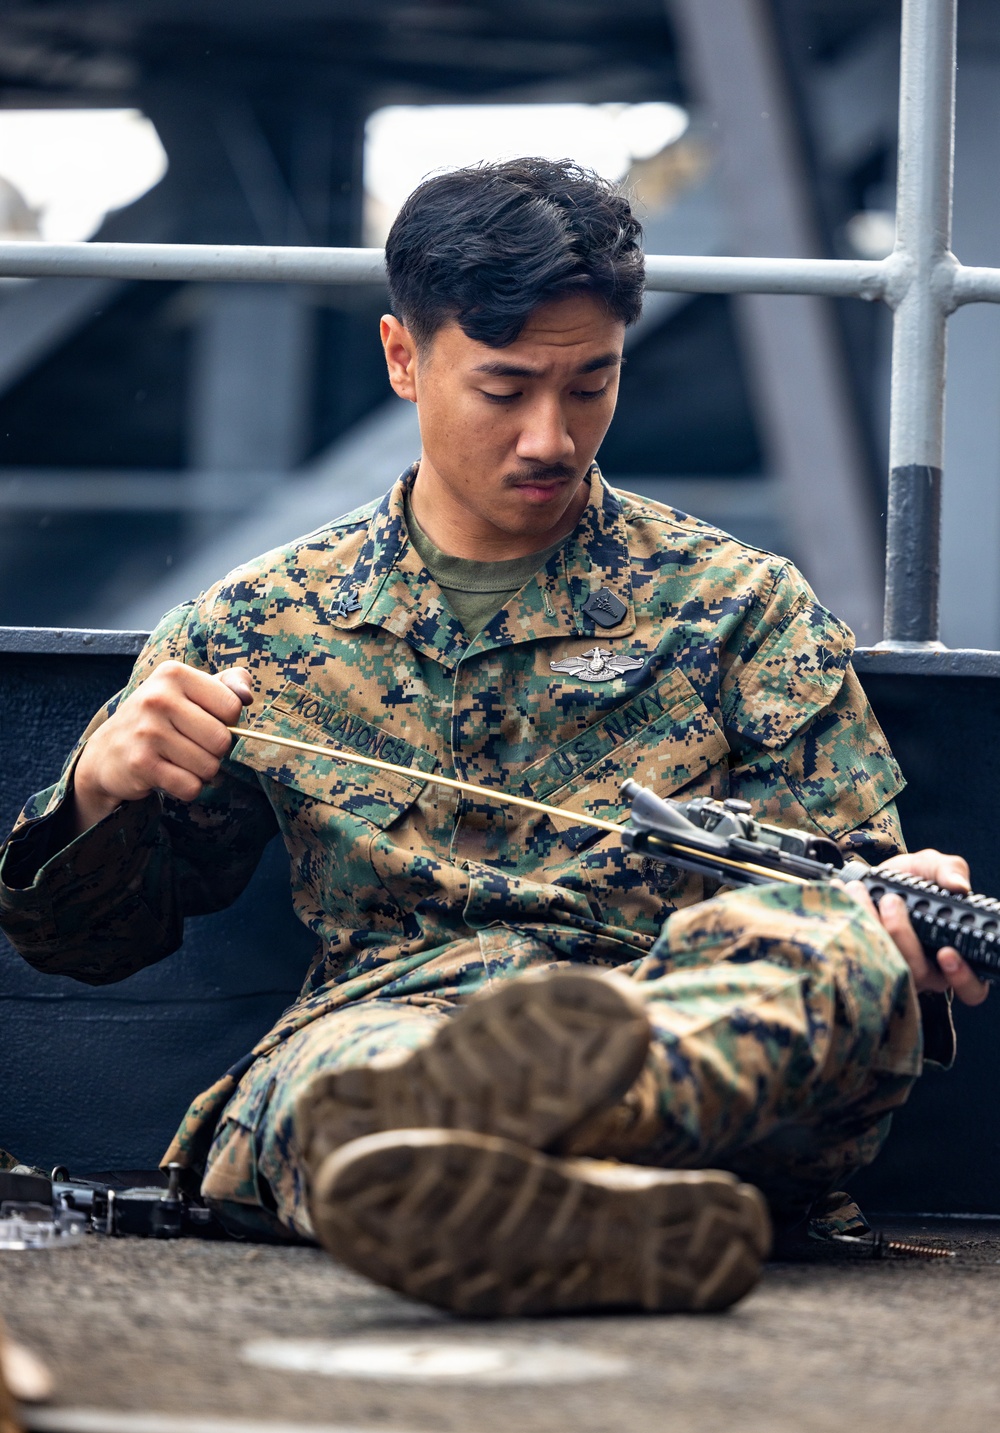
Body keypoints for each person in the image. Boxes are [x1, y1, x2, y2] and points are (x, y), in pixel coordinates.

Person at [0, 159, 987, 1318]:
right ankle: (591, 1202)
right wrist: (102, 789)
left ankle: (514, 1145)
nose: (549, 437)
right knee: (341, 1091)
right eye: (506, 387)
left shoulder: (740, 606)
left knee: (829, 959)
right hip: (396, 1028)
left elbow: (844, 905)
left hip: (690, 1021)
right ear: (403, 358)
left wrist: (896, 910)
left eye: (590, 384)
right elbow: (84, 950)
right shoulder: (254, 625)